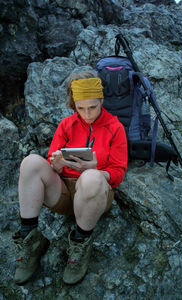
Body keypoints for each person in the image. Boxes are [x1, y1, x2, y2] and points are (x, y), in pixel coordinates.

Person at [13, 69, 128, 285]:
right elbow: (51, 160)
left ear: (102, 100)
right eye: (80, 108)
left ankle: (80, 244)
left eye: (93, 107)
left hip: (95, 193)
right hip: (64, 192)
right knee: (30, 163)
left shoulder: (115, 128)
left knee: (92, 178)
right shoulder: (67, 125)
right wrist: (55, 165)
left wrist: (94, 169)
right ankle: (30, 239)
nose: (87, 114)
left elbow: (119, 171)